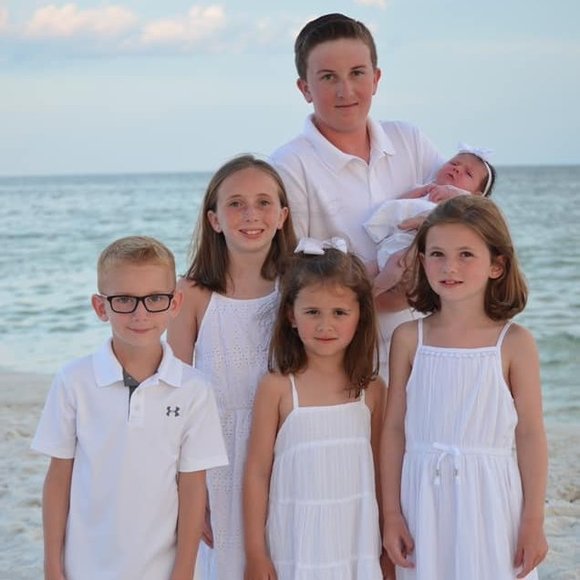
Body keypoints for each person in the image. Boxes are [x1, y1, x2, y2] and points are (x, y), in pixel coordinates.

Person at [31, 236, 228, 580]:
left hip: (161, 569)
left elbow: (193, 487)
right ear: (100, 307)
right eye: (124, 300)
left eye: (155, 299)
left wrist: (184, 570)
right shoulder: (73, 381)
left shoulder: (194, 389)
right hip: (84, 567)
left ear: (175, 303)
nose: (140, 314)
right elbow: (58, 480)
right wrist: (52, 565)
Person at [381, 196, 548, 579]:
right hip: (422, 499)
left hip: (491, 499)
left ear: (496, 265)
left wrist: (533, 519)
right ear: (422, 260)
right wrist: (391, 514)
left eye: (466, 255)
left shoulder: (514, 342)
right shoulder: (409, 338)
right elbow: (393, 430)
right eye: (437, 254)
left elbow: (530, 434)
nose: (449, 267)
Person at [270, 12, 446, 372]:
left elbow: (468, 214)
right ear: (305, 88)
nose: (345, 91)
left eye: (357, 73)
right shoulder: (288, 166)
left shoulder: (409, 140)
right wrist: (386, 293)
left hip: (431, 348)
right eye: (328, 77)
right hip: (347, 362)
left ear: (376, 78)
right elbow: (292, 276)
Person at [167, 155, 296, 579]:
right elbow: (176, 395)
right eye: (236, 204)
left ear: (282, 216)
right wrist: (188, 485)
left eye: (263, 203)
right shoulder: (192, 294)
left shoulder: (297, 287)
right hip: (217, 453)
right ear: (214, 220)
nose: (250, 214)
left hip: (287, 446)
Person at [243, 238, 386, 580]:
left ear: (360, 316)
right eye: (312, 312)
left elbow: (383, 473)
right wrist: (255, 553)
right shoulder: (277, 388)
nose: (325, 326)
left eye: (339, 313)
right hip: (296, 544)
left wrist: (385, 546)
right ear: (291, 316)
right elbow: (257, 473)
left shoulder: (372, 390)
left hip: (356, 542)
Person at [364, 147, 496, 295]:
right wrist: (420, 191)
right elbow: (399, 204)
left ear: (477, 195)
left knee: (397, 262)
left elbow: (471, 211)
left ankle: (373, 293)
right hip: (393, 242)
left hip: (412, 249)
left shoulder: (463, 203)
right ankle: (356, 294)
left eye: (468, 173)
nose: (457, 169)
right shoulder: (426, 189)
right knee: (366, 269)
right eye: (454, 163)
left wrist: (452, 193)